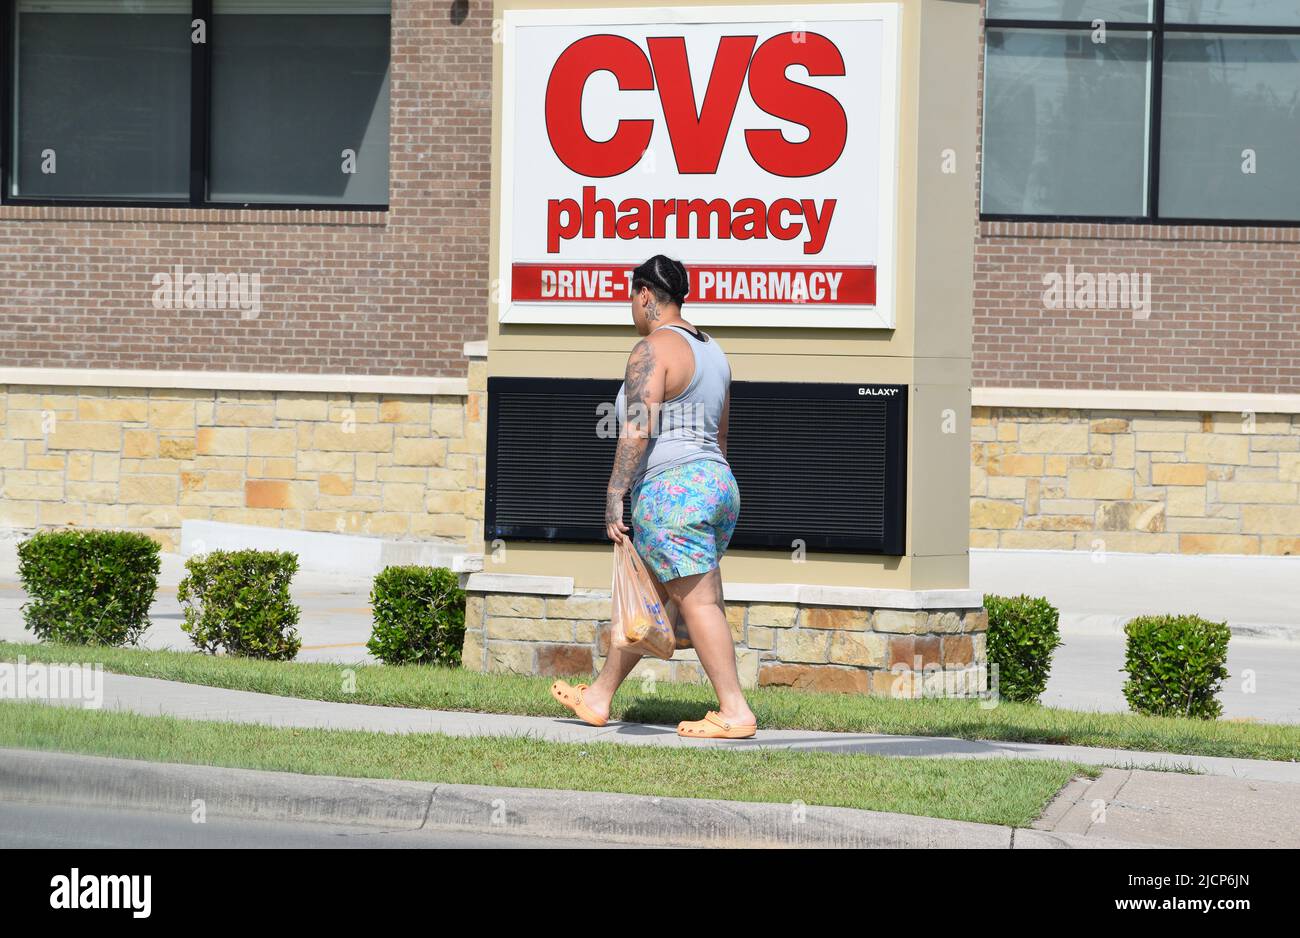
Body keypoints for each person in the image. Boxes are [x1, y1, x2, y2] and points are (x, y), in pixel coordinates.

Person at [549, 255, 757, 739]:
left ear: (645, 295)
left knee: (700, 603)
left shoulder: (651, 349)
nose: (630, 307)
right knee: (652, 599)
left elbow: (639, 426)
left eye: (630, 298)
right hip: (716, 484)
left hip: (672, 491)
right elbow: (721, 434)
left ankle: (735, 711)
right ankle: (599, 696)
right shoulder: (714, 353)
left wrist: (614, 492)